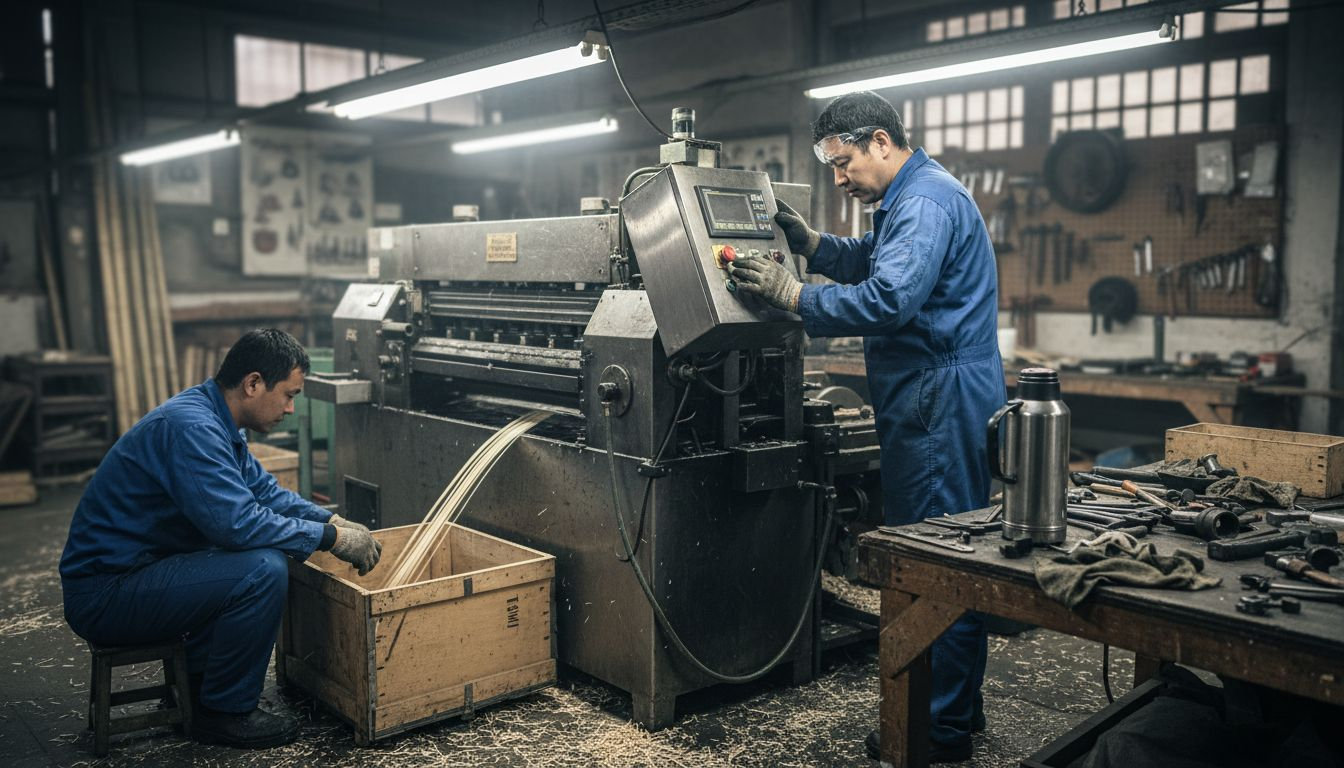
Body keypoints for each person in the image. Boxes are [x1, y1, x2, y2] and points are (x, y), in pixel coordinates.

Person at [729, 91, 1004, 763]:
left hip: (937, 395)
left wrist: (793, 295)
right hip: (934, 390)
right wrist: (813, 246)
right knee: (951, 548)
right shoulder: (912, 197)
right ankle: (957, 711)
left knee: (936, 561)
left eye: (844, 163)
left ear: (881, 140)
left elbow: (890, 298)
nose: (840, 179)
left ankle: (935, 734)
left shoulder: (925, 202)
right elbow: (876, 261)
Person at [60, 329, 382, 749]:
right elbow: (237, 524)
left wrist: (330, 518)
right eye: (288, 395)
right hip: (107, 593)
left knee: (245, 559)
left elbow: (265, 493)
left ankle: (196, 693)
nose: (289, 408)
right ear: (252, 384)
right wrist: (328, 537)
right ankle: (222, 712)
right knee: (261, 569)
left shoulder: (218, 420)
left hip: (141, 571)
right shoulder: (191, 428)